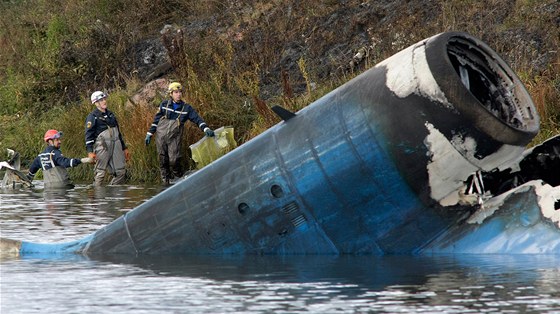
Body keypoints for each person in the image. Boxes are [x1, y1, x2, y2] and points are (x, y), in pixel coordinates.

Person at [145, 82, 214, 184]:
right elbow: (156, 121)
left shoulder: (186, 108)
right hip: (161, 136)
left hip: (175, 138)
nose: (179, 94)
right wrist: (149, 134)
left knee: (174, 159)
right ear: (171, 94)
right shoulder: (164, 105)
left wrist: (206, 129)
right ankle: (165, 182)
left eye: (180, 92)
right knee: (162, 160)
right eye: (176, 92)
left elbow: (197, 119)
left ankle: (178, 178)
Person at [85, 91, 130, 186]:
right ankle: (97, 195)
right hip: (102, 146)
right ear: (96, 103)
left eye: (104, 99)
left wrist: (124, 148)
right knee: (100, 173)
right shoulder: (92, 116)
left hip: (116, 145)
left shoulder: (111, 114)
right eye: (101, 100)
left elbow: (118, 132)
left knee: (121, 172)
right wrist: (90, 152)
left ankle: (112, 193)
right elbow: (88, 135)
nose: (104, 101)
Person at [27, 129, 94, 188]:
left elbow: (31, 172)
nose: (60, 142)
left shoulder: (40, 156)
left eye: (59, 139)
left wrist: (27, 181)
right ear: (50, 141)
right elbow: (65, 163)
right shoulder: (55, 153)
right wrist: (82, 160)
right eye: (57, 140)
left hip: (48, 191)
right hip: (62, 188)